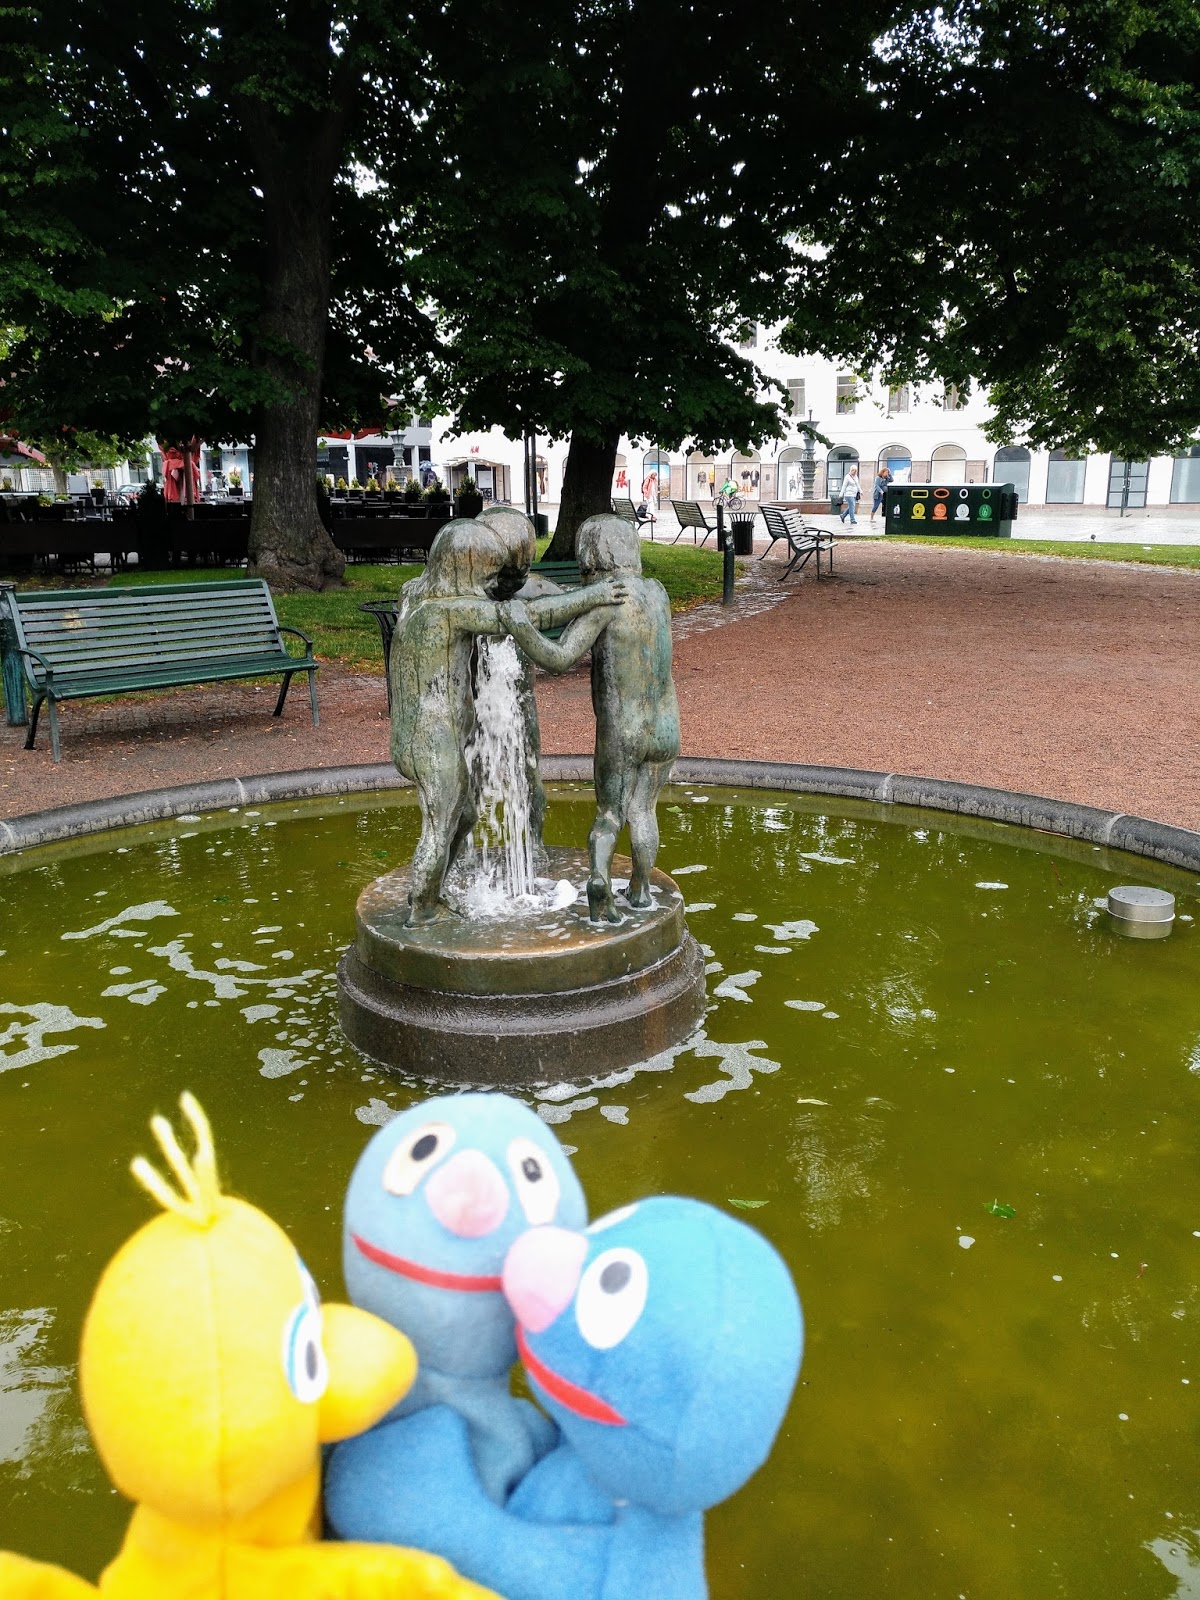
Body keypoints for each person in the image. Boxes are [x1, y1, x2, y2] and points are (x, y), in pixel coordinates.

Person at [389, 520, 624, 924]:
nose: (492, 585)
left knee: (463, 815)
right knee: (439, 823)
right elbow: (529, 615)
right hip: (433, 739)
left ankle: (431, 891)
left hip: (413, 734)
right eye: (486, 576)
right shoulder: (450, 611)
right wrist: (595, 595)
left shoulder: (415, 594)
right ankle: (422, 911)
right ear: (464, 571)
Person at [500, 513, 679, 924]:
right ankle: (640, 890)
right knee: (644, 809)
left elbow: (560, 658)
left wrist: (520, 626)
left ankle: (600, 883)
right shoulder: (657, 593)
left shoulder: (606, 601)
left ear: (591, 557)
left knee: (610, 814)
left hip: (623, 728)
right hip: (666, 725)